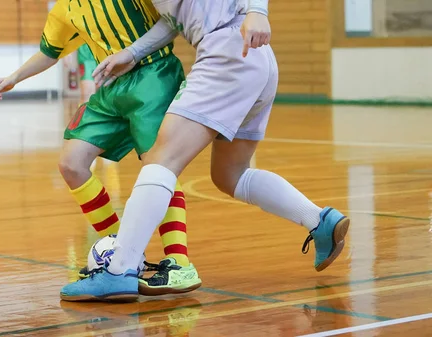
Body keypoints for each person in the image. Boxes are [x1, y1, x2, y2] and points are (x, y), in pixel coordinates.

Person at [60, 0, 351, 302]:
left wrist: (257, 11)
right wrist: (133, 53)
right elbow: (174, 20)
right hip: (253, 59)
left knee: (162, 159)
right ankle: (320, 221)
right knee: (229, 175)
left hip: (226, 52)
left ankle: (118, 270)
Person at [0, 0, 202, 295]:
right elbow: (49, 52)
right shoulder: (63, 9)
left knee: (158, 168)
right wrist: (13, 78)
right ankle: (119, 254)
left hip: (153, 73)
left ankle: (179, 262)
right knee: (71, 164)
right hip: (113, 87)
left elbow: (170, 19)